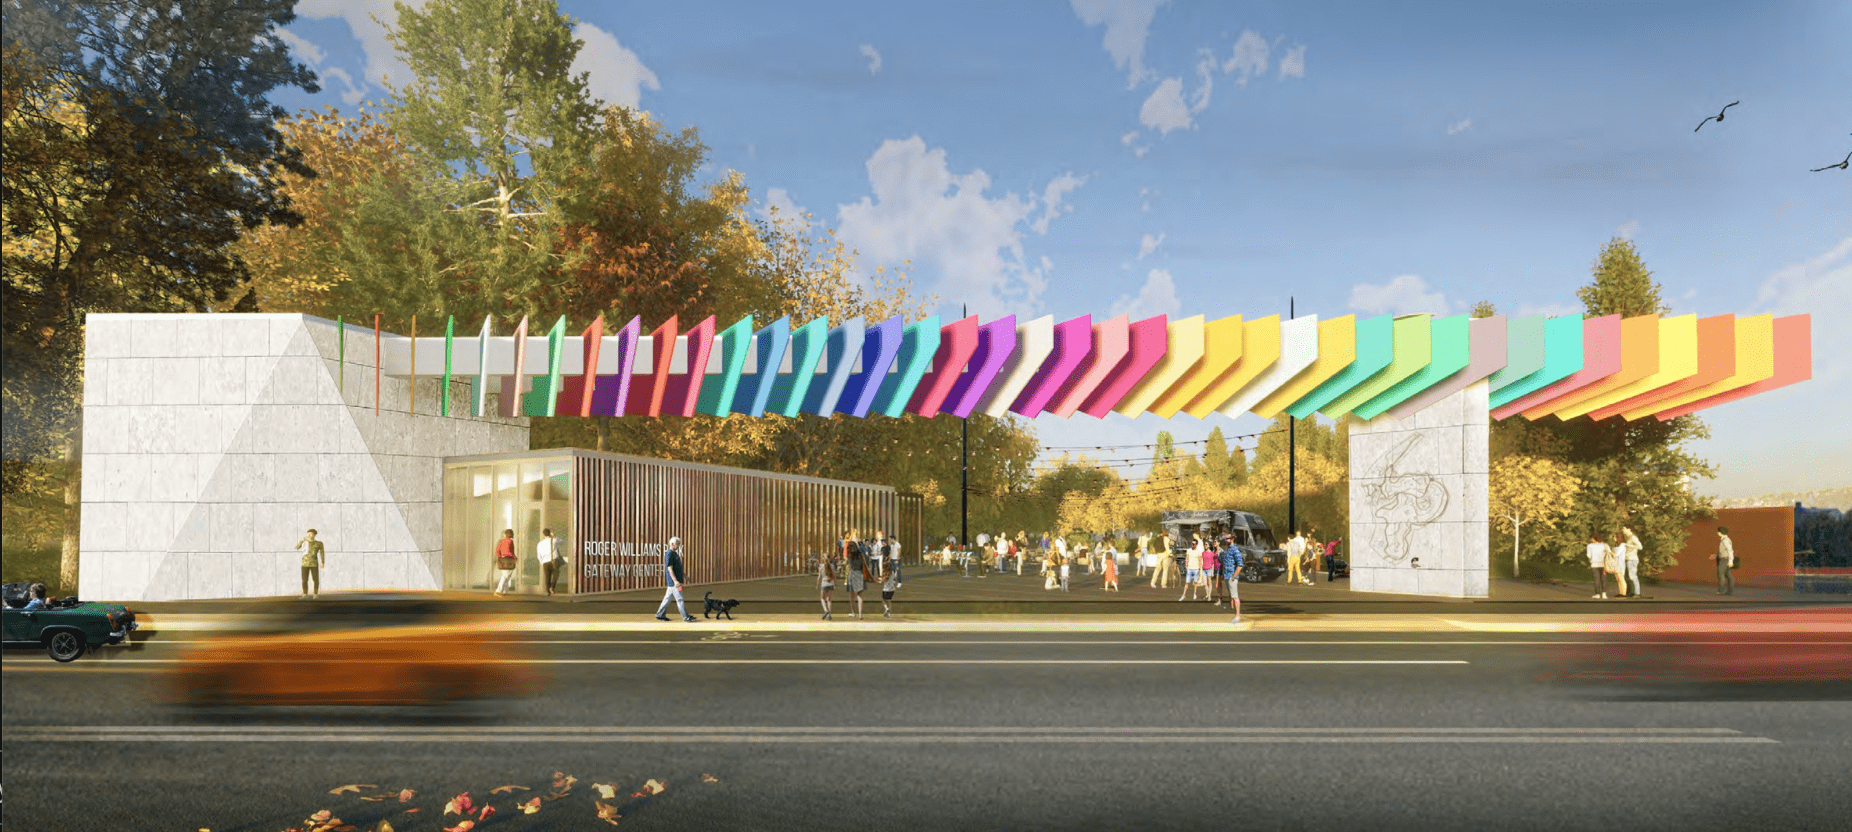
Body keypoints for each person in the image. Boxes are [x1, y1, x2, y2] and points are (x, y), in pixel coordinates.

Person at [654, 536, 695, 621]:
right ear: (672, 544)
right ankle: (686, 617)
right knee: (679, 599)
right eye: (677, 543)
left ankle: (660, 614)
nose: (679, 545)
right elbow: (670, 568)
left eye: (679, 543)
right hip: (674, 582)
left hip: (676, 581)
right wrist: (675, 581)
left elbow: (678, 567)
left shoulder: (675, 553)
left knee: (667, 598)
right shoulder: (669, 554)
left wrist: (685, 576)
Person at [844, 529, 871, 619]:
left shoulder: (850, 555)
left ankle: (853, 612)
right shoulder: (860, 555)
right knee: (860, 595)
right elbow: (863, 564)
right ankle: (860, 614)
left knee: (852, 595)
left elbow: (847, 564)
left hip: (852, 574)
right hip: (859, 574)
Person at [1220, 535, 1245, 623]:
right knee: (1231, 595)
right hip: (1227, 575)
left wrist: (1234, 576)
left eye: (1228, 538)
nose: (1226, 540)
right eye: (1226, 538)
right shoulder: (1228, 549)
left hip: (1232, 576)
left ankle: (1237, 616)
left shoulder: (1235, 549)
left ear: (1233, 539)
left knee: (1235, 596)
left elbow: (1240, 564)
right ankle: (1234, 613)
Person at [295, 528, 326, 600]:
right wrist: (302, 540)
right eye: (308, 533)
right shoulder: (304, 542)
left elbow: (322, 553)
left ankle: (315, 594)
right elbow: (297, 547)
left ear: (314, 535)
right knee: (304, 580)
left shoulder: (318, 543)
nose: (309, 535)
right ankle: (305, 594)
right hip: (304, 564)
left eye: (311, 533)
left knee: (316, 580)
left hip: (314, 563)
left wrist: (322, 562)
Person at [537, 528, 564, 596]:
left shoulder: (540, 543)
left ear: (543, 535)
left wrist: (541, 562)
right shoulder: (554, 540)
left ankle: (547, 591)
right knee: (556, 575)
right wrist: (554, 536)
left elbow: (539, 555)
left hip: (545, 562)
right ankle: (552, 587)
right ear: (550, 534)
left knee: (547, 577)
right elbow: (561, 542)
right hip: (554, 561)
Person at [492, 528, 518, 597]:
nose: (513, 534)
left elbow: (497, 551)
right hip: (509, 560)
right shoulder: (510, 541)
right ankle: (498, 591)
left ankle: (505, 591)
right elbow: (509, 551)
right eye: (512, 533)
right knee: (505, 576)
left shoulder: (502, 541)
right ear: (509, 534)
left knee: (506, 575)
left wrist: (500, 556)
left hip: (503, 560)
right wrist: (514, 557)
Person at [1620, 527, 1643, 598]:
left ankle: (1637, 593)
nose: (1622, 530)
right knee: (1629, 577)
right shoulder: (1628, 538)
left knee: (1633, 576)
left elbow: (1640, 547)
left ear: (1629, 529)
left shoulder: (1633, 537)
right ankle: (1631, 592)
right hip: (1628, 559)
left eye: (1624, 529)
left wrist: (1626, 545)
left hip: (1632, 560)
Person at [1180, 535, 1204, 601]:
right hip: (1190, 568)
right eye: (1192, 543)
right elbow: (1186, 558)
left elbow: (1200, 559)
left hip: (1196, 568)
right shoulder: (1189, 550)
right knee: (1187, 582)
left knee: (1195, 582)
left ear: (1196, 544)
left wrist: (1199, 568)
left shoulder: (1198, 551)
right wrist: (1186, 566)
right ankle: (1183, 595)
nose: (1192, 545)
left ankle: (1194, 594)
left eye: (1194, 544)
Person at [1586, 533, 1610, 599]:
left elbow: (1588, 555)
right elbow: (1609, 553)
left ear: (1594, 539)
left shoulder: (1590, 546)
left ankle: (1597, 594)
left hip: (1594, 564)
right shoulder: (1605, 545)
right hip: (1604, 564)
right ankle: (1604, 593)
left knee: (1596, 579)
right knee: (1604, 579)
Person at [1713, 526, 1736, 596]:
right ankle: (1730, 591)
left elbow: (1730, 550)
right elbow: (1725, 551)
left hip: (1724, 559)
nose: (1717, 533)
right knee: (1728, 575)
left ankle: (1721, 590)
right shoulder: (1725, 540)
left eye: (1718, 532)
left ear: (1720, 533)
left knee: (1720, 574)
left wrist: (1731, 560)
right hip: (1724, 558)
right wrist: (1716, 556)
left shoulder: (1725, 540)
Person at [817, 541, 837, 621]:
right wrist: (835, 583)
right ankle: (829, 615)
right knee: (829, 599)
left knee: (822, 598)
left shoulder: (821, 567)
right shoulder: (832, 566)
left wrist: (817, 584)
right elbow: (834, 576)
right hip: (830, 583)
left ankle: (825, 610)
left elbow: (819, 577)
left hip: (824, 583)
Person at [881, 554, 903, 618]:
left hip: (885, 589)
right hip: (892, 589)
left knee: (883, 600)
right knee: (889, 601)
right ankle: (889, 612)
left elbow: (882, 581)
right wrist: (896, 571)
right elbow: (894, 577)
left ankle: (887, 609)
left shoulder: (884, 574)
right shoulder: (892, 573)